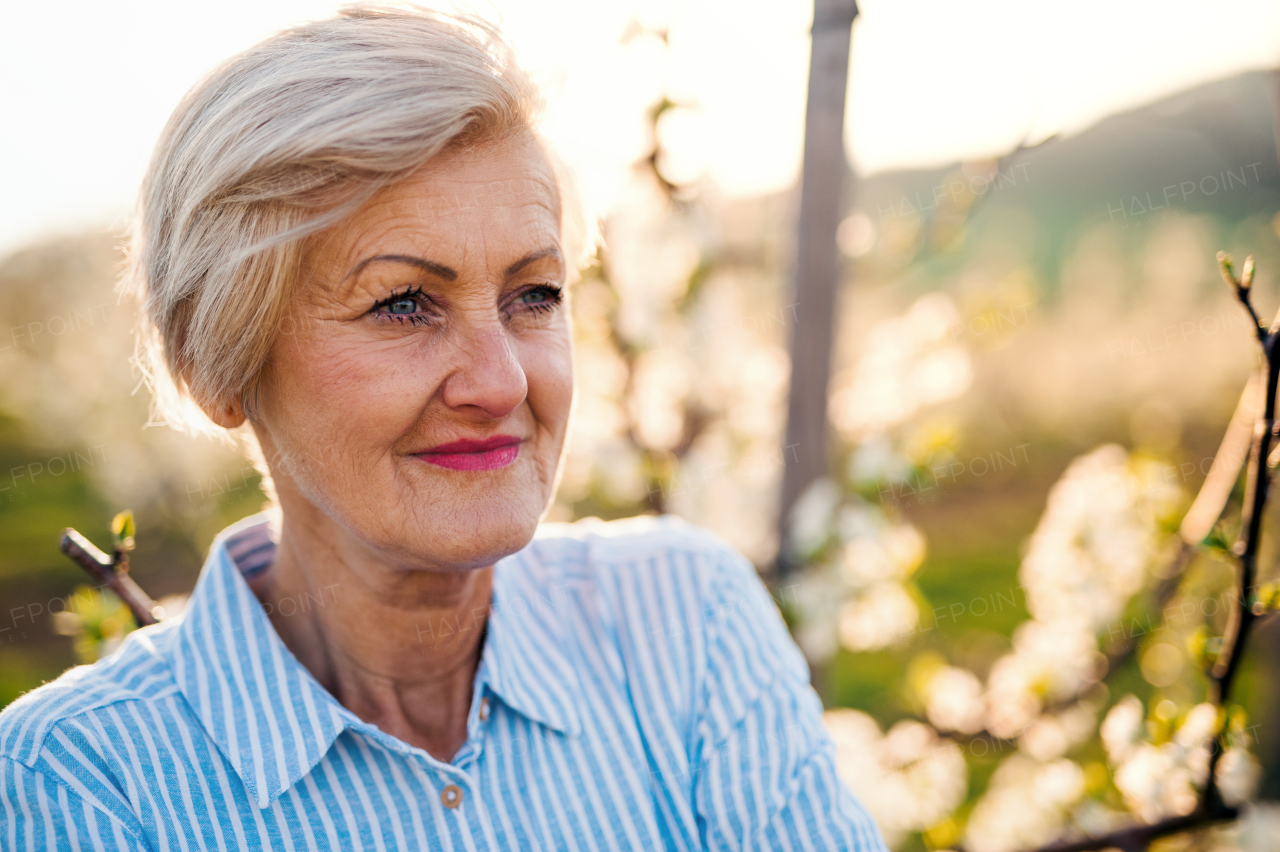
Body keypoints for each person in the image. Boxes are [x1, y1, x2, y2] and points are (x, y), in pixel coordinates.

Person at [0, 5, 887, 849]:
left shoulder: (687, 621)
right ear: (216, 367)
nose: (499, 381)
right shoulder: (80, 783)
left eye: (534, 294)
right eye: (403, 305)